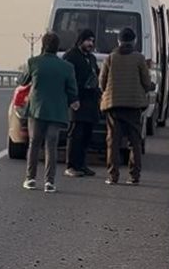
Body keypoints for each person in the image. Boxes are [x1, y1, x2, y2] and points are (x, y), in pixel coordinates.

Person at [17, 32, 79, 193]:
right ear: (57, 47)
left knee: (34, 143)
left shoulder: (34, 62)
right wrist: (74, 102)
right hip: (57, 111)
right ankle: (49, 182)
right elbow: (72, 90)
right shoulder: (67, 67)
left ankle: (30, 179)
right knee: (51, 146)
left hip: (37, 110)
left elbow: (23, 81)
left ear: (43, 45)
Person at [99, 27, 154, 185]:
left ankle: (113, 176)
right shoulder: (139, 58)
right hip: (133, 106)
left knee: (113, 142)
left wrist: (106, 93)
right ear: (134, 41)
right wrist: (148, 87)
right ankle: (134, 176)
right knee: (134, 142)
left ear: (119, 41)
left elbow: (102, 82)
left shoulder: (110, 58)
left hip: (113, 106)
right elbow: (146, 82)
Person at [62, 29, 101, 177]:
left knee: (87, 134)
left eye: (92, 41)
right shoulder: (71, 56)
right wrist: (72, 99)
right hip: (77, 100)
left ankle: (82, 164)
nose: (90, 43)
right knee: (75, 134)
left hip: (91, 100)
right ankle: (71, 165)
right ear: (80, 40)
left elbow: (96, 74)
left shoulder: (91, 58)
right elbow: (66, 79)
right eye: (88, 40)